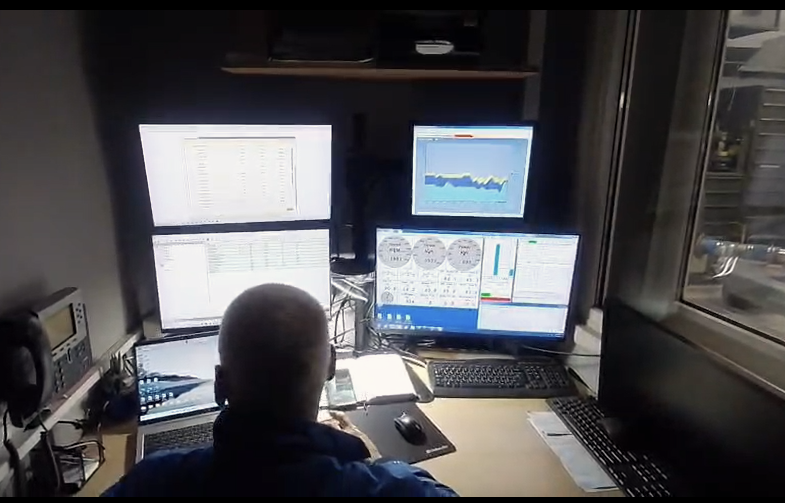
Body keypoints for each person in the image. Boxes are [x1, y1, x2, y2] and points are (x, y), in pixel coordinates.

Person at [103, 283, 457, 497]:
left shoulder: (154, 481)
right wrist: (376, 460)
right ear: (331, 366)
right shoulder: (388, 488)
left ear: (220, 383)